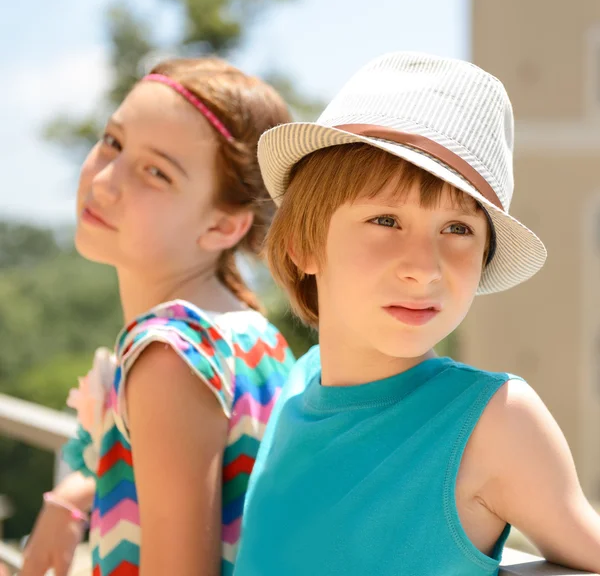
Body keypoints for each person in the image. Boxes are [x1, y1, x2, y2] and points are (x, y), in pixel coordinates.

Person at [233, 51, 600, 575]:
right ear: (302, 244)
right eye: (386, 219)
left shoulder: (495, 420)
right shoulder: (298, 387)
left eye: (458, 229)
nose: (424, 269)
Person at [21, 57, 295, 576]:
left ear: (224, 225)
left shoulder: (170, 351)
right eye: (113, 142)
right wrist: (73, 496)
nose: (104, 181)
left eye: (156, 172)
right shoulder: (251, 331)